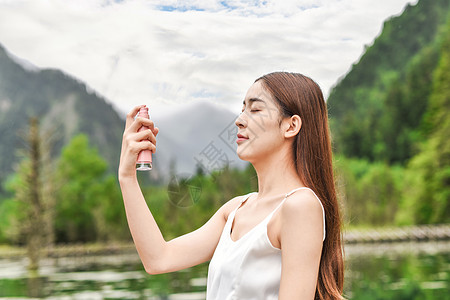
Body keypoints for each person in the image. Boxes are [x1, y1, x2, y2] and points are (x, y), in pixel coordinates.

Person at [118, 72, 344, 299]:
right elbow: (158, 259)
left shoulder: (300, 206)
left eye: (255, 110)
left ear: (291, 126)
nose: (239, 120)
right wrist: (127, 177)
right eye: (242, 109)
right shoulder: (235, 209)